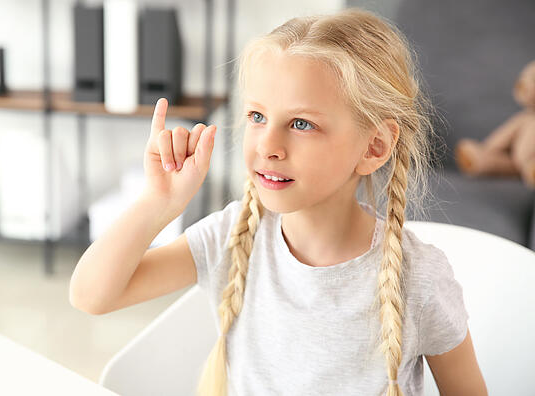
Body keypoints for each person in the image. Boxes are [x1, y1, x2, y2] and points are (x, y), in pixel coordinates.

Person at [69, 7, 488, 396]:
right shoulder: (233, 238)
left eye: (301, 123)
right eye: (257, 117)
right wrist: (157, 203)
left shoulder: (420, 279)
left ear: (374, 147)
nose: (268, 145)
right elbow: (91, 296)